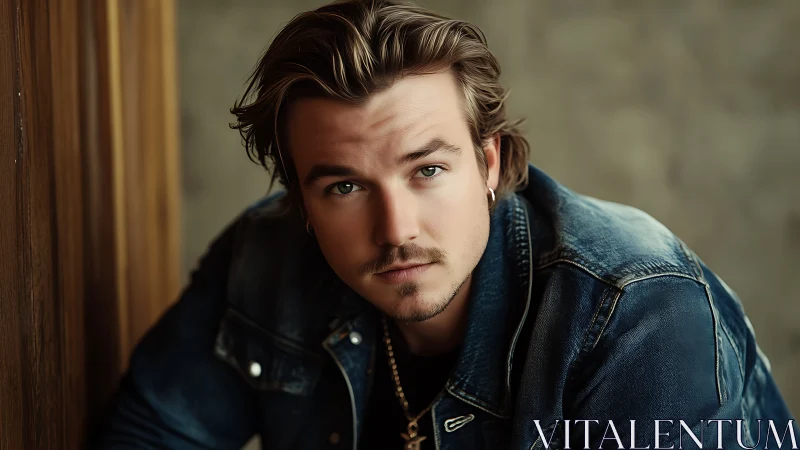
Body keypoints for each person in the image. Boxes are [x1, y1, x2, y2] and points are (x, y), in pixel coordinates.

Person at [96, 0, 798, 449]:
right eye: (344, 185)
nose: (395, 227)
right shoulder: (265, 259)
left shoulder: (634, 308)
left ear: (488, 162)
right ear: (301, 203)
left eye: (427, 170)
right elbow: (149, 436)